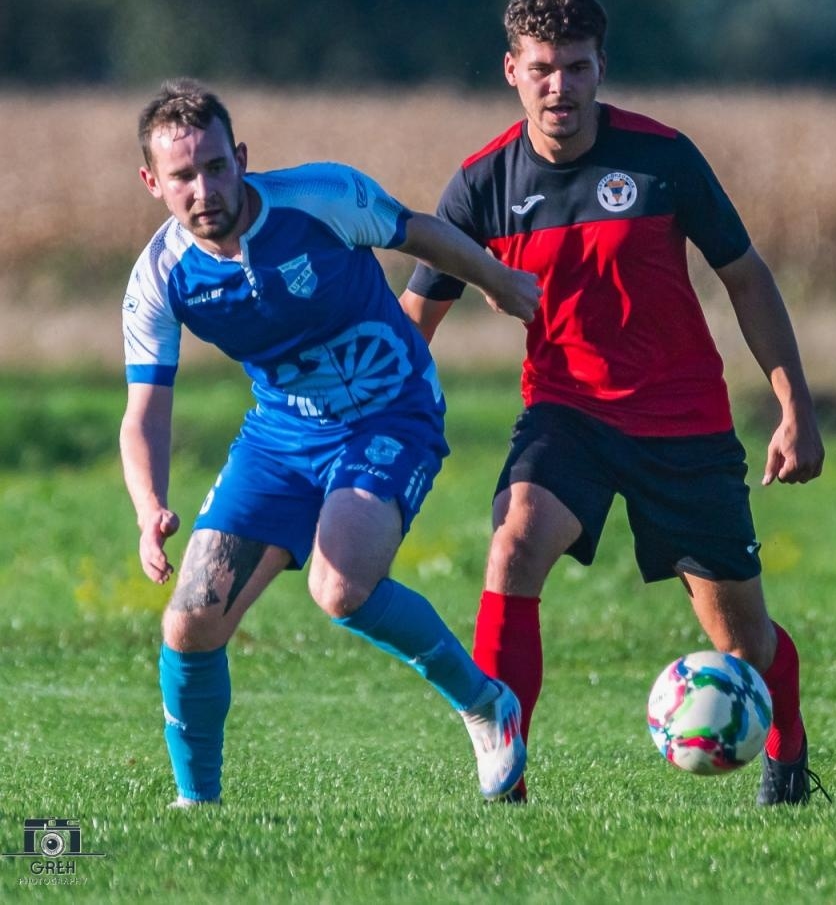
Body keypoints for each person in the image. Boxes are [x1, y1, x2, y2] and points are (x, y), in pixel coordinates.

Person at [401, 0, 827, 805]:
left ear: (601, 70)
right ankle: (506, 770)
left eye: (576, 68)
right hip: (567, 414)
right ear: (511, 72)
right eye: (542, 70)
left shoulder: (663, 158)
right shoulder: (482, 183)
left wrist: (794, 405)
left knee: (742, 640)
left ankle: (787, 739)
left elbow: (745, 277)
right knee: (514, 543)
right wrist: (376, 424)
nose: (559, 86)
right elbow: (416, 316)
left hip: (684, 421)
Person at [120, 79, 543, 806]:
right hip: (281, 434)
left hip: (391, 412)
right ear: (153, 182)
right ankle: (198, 808)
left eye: (217, 166)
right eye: (183, 175)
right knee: (190, 620)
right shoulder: (161, 278)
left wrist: (498, 281)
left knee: (339, 587)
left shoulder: (319, 198)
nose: (204, 188)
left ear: (241, 158)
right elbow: (144, 412)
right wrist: (149, 505)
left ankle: (484, 702)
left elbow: (419, 231)